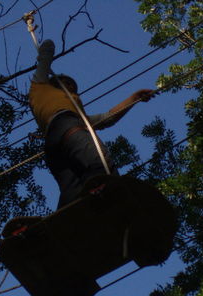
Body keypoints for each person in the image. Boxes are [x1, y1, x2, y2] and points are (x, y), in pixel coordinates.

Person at [29, 39, 154, 208]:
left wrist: (134, 98)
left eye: (74, 87)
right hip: (67, 127)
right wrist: (47, 43)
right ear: (55, 82)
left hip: (53, 144)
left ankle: (66, 218)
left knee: (72, 188)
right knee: (100, 164)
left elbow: (107, 117)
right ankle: (114, 199)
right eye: (68, 84)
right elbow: (44, 58)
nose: (72, 88)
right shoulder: (40, 87)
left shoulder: (79, 115)